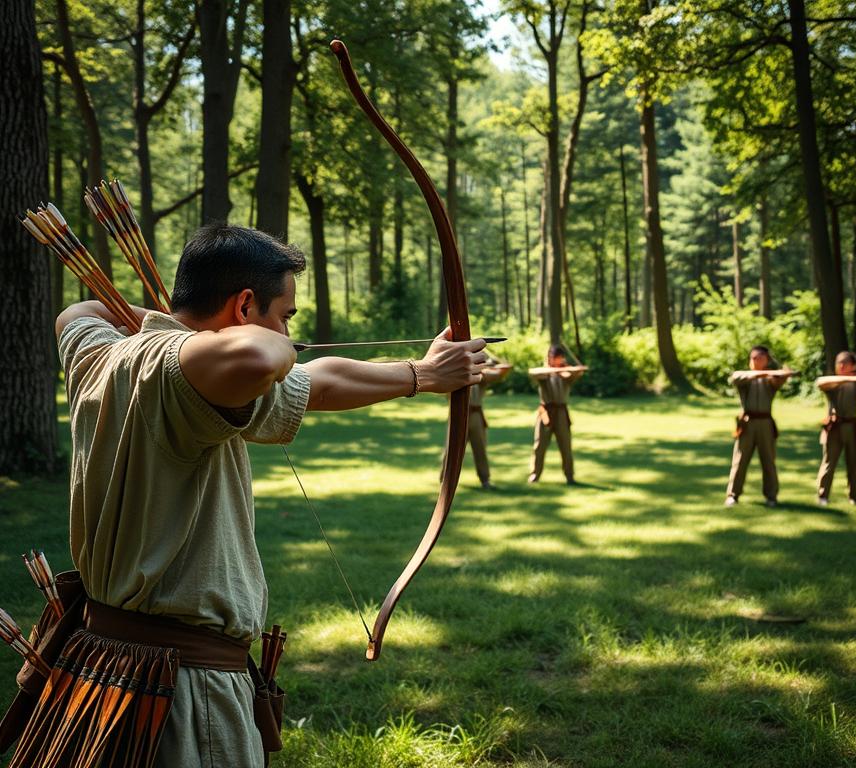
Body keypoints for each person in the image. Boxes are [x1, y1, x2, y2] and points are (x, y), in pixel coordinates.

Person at [22, 224, 486, 768]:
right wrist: (419, 373)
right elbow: (263, 360)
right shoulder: (185, 375)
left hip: (100, 669)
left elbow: (76, 312)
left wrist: (423, 373)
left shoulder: (99, 356)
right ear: (244, 306)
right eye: (285, 316)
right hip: (183, 694)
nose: (289, 332)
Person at [724, 346, 793, 508]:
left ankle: (771, 496)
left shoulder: (770, 379)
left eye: (760, 358)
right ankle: (733, 495)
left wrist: (783, 373)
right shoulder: (744, 377)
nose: (756, 361)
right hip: (747, 423)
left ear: (767, 360)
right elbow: (736, 377)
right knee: (740, 460)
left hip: (765, 424)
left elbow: (779, 379)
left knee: (768, 460)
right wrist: (766, 373)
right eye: (753, 358)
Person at [814, 352, 856, 506]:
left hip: (852, 426)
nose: (841, 366)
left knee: (853, 463)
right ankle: (822, 496)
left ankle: (854, 497)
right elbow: (820, 383)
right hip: (834, 427)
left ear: (853, 366)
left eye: (845, 363)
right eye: (839, 363)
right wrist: (847, 377)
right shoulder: (832, 382)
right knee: (828, 463)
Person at [527, 345, 587, 485]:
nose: (558, 361)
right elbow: (533, 372)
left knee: (565, 445)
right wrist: (553, 370)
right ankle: (535, 474)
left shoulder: (565, 373)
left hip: (561, 412)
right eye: (555, 358)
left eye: (560, 358)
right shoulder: (544, 372)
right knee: (539, 445)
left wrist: (564, 370)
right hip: (546, 413)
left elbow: (577, 373)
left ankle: (569, 476)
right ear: (550, 358)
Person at [467, 355, 513, 489]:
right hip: (458, 415)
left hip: (476, 415)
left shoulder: (482, 375)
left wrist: (494, 362)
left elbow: (500, 372)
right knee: (451, 450)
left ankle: (485, 480)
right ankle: (445, 481)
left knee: (480, 447)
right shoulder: (458, 372)